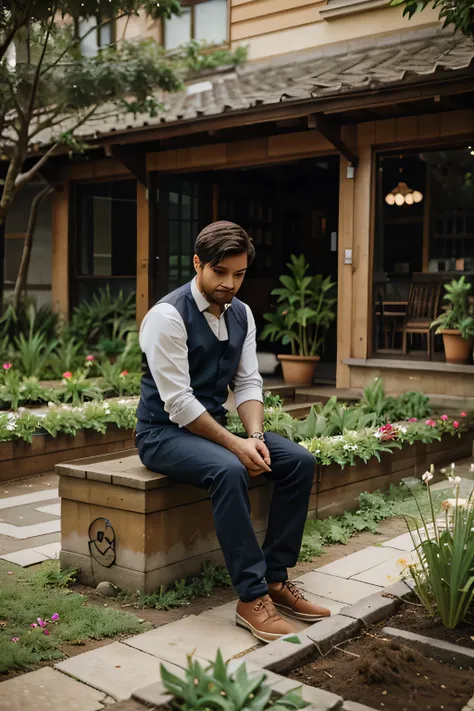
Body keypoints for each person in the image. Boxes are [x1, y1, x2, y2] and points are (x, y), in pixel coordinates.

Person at [136, 220, 330, 643]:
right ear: (197, 264)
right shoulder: (167, 317)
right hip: (162, 434)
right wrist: (235, 446)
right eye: (220, 273)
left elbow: (246, 383)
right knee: (229, 469)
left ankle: (276, 579)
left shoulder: (241, 313)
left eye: (239, 274)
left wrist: (255, 438)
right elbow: (179, 403)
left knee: (298, 461)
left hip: (210, 427)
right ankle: (251, 597)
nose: (229, 283)